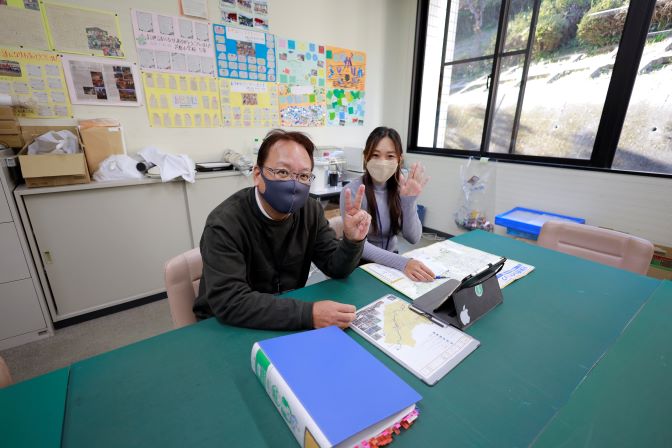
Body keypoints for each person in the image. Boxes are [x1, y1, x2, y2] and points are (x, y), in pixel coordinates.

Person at [193, 129, 371, 330]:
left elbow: (335, 267)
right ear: (258, 175)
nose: (294, 184)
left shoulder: (310, 210)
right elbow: (231, 301)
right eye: (283, 172)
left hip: (283, 315)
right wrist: (308, 314)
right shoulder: (225, 223)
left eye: (303, 175)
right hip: (224, 325)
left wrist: (351, 241)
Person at [340, 126, 434, 282]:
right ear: (365, 157)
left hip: (392, 264)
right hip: (360, 265)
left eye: (390, 156)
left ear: (399, 160)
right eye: (375, 155)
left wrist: (409, 200)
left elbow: (414, 237)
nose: (382, 162)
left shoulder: (402, 188)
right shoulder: (352, 191)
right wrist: (403, 263)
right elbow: (359, 245)